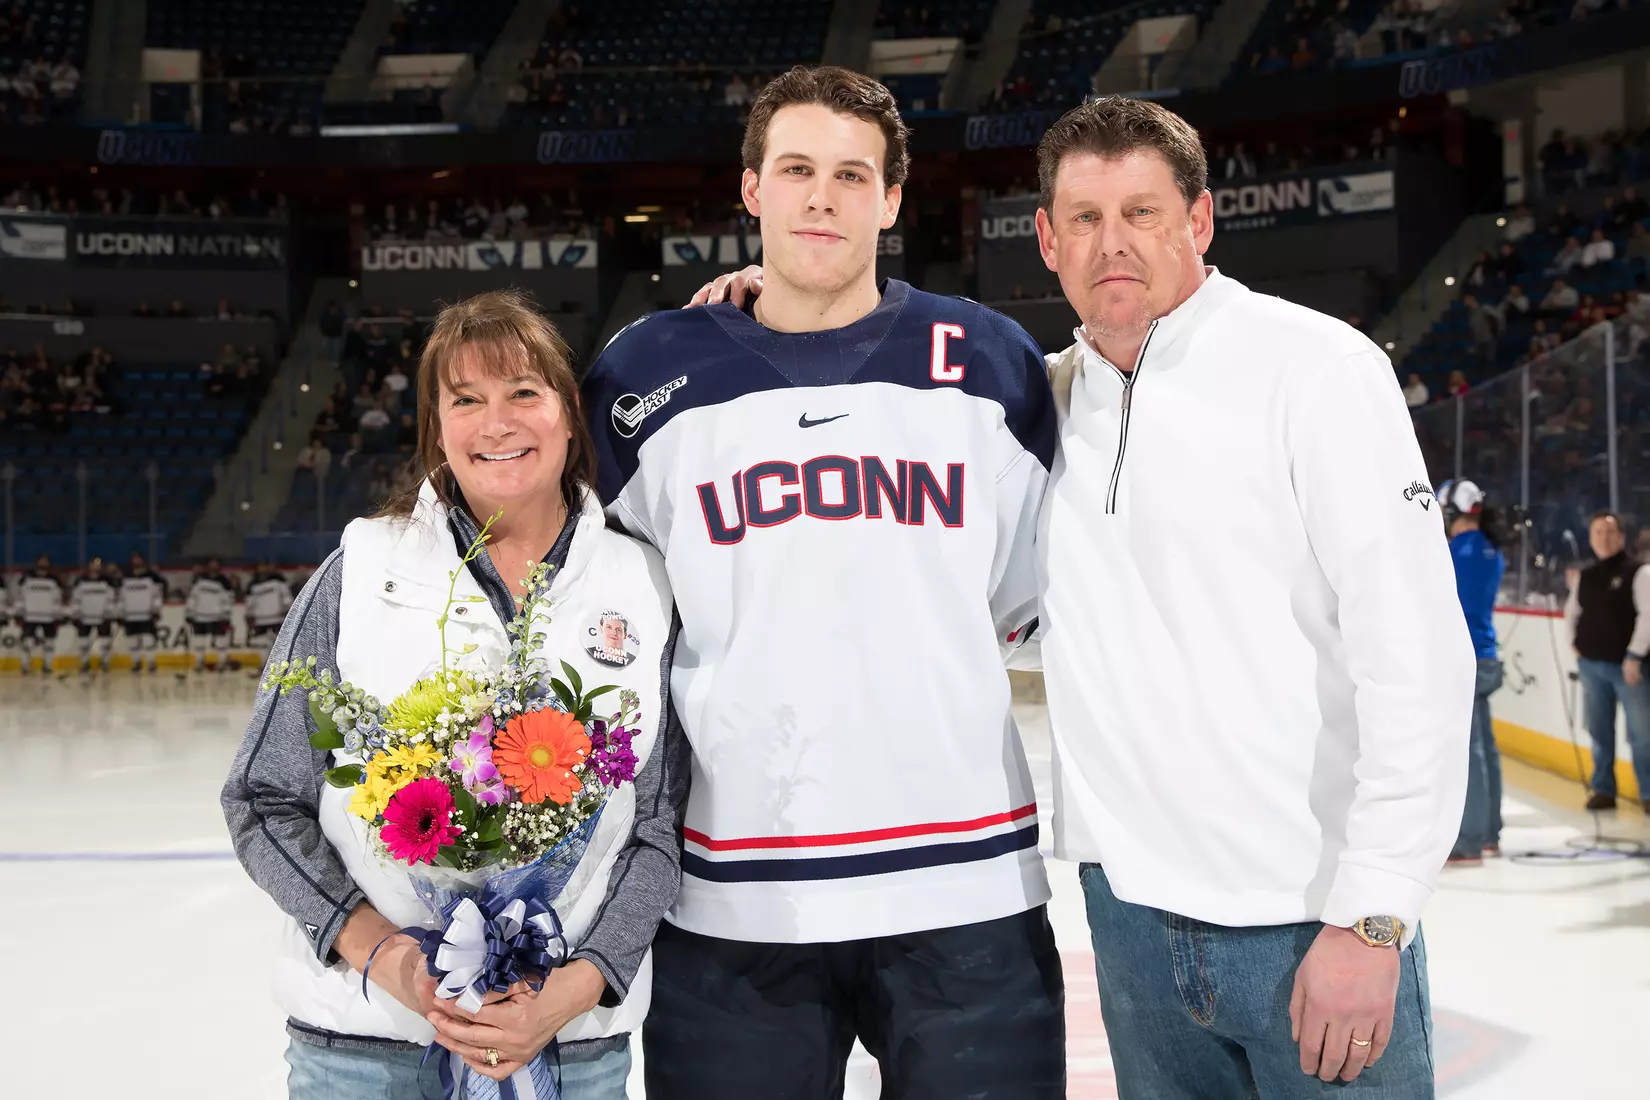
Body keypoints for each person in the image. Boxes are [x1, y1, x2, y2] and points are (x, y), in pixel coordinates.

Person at [699, 93, 1474, 1096]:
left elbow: (1415, 657)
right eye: (1086, 219)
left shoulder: (1314, 368)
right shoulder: (1042, 399)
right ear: (1048, 240)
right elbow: (1004, 612)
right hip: (1131, 922)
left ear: (1198, 222)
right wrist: (786, 302)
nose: (1114, 243)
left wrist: (1374, 913)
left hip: (1307, 917)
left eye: (1143, 213)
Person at [585, 66, 1063, 1099]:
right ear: (751, 188)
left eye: (854, 175)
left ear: (892, 199)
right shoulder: (641, 378)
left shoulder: (991, 364)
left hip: (967, 890)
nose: (822, 196)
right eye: (796, 168)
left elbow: (1018, 602)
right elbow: (615, 612)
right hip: (732, 901)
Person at [221, 289, 683, 1100]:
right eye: (465, 400)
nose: (495, 424)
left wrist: (566, 995)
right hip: (364, 1050)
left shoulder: (644, 583)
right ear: (437, 427)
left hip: (572, 1052)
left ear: (570, 415)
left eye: (523, 394)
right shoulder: (362, 568)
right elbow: (263, 799)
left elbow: (656, 829)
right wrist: (391, 960)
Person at [1563, 511, 1650, 812]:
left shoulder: (1639, 572)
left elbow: (1647, 617)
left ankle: (1648, 793)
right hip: (1592, 666)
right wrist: (1575, 645)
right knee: (1599, 731)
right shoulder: (1585, 576)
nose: (1604, 538)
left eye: (1610, 532)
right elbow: (1572, 613)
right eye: (1597, 532)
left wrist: (1635, 655)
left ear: (1621, 536)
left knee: (1642, 734)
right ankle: (1603, 789)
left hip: (1629, 668)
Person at [1439, 481, 1506, 863]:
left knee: (1470, 751)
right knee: (1486, 748)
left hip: (1466, 659)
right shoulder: (1491, 550)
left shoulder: (1451, 553)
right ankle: (1490, 833)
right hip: (1487, 654)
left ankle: (1470, 839)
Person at [184, 557, 236, 674]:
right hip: (199, 616)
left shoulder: (224, 581)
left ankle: (221, 662)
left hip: (218, 616)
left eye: (215, 564)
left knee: (221, 642)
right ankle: (199, 662)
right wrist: (189, 613)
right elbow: (193, 597)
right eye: (211, 564)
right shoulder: (199, 580)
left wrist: (226, 616)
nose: (213, 567)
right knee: (199, 641)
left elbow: (228, 600)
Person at [17, 553, 65, 675]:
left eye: (46, 561)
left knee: (49, 642)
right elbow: (20, 597)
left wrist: (58, 615)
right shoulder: (26, 578)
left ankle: (47, 666)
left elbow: (58, 599)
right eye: (41, 561)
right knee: (27, 643)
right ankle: (25, 666)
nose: (43, 564)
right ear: (36, 562)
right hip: (30, 616)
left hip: (48, 617)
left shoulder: (54, 580)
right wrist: (19, 613)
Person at [119, 552, 167, 674]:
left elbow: (158, 595)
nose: (136, 562)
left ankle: (151, 663)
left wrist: (156, 609)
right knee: (132, 641)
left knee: (148, 640)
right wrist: (119, 613)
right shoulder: (125, 577)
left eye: (138, 559)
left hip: (146, 614)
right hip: (130, 615)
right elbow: (121, 597)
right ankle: (136, 662)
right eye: (134, 559)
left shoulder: (152, 576)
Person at [69, 556, 118, 673]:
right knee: (84, 642)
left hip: (102, 616)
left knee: (105, 641)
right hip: (85, 616)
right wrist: (75, 615)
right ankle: (85, 662)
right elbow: (76, 599)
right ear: (89, 565)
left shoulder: (108, 581)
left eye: (98, 564)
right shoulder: (80, 580)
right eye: (93, 563)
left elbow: (112, 599)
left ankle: (105, 662)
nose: (96, 566)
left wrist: (110, 614)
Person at [243, 564, 293, 671]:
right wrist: (249, 615)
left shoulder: (279, 580)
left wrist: (287, 610)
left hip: (277, 618)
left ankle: (279, 666)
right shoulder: (252, 584)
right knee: (262, 643)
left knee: (277, 643)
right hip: (260, 619)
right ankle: (264, 665)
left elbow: (286, 597)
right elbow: (249, 603)